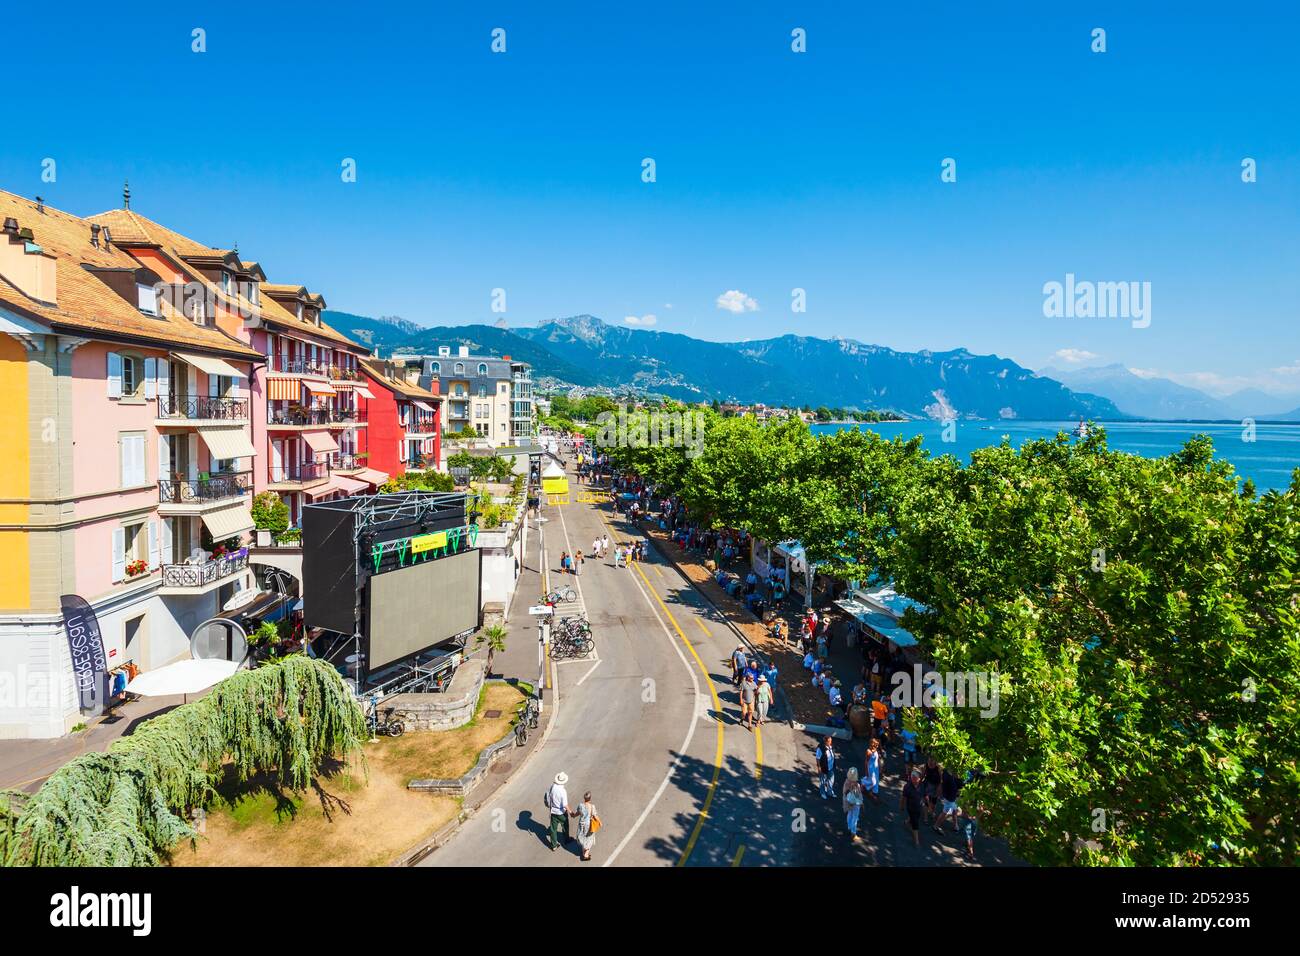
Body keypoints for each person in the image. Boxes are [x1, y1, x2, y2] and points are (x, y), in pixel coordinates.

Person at [546, 772, 573, 850]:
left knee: (553, 829)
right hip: (561, 812)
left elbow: (549, 798)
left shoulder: (552, 787)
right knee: (565, 826)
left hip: (553, 811)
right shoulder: (563, 791)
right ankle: (566, 839)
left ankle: (553, 845)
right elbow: (565, 804)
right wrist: (571, 812)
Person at [933, 766, 963, 833]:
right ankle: (936, 826)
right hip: (950, 798)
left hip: (949, 796)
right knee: (945, 813)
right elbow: (955, 789)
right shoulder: (951, 778)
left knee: (954, 810)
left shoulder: (946, 772)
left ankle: (956, 826)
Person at [572, 791, 599, 862]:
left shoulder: (580, 805)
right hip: (588, 824)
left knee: (582, 837)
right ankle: (586, 855)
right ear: (590, 798)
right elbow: (595, 816)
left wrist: (574, 815)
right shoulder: (592, 806)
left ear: (584, 798)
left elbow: (578, 813)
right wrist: (600, 822)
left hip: (582, 824)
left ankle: (584, 851)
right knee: (589, 838)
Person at [900, 770, 924, 847]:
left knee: (916, 817)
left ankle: (907, 822)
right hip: (911, 808)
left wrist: (927, 804)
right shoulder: (907, 787)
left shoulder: (922, 785)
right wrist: (902, 806)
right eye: (912, 777)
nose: (913, 779)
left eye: (915, 778)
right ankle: (916, 841)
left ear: (919, 779)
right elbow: (903, 798)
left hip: (919, 807)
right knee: (915, 823)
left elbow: (925, 795)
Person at [843, 766, 864, 841]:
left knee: (850, 814)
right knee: (855, 817)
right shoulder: (856, 785)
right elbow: (858, 796)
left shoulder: (846, 782)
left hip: (848, 802)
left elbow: (845, 792)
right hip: (855, 803)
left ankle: (849, 828)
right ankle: (853, 833)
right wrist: (861, 803)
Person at [864, 737, 882, 803]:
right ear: (873, 744)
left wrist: (880, 767)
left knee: (876, 780)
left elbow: (878, 759)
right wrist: (866, 771)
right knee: (873, 781)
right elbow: (866, 761)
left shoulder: (876, 750)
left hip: (876, 768)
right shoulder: (868, 751)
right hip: (871, 768)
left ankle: (873, 792)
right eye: (876, 745)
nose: (877, 746)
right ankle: (869, 792)